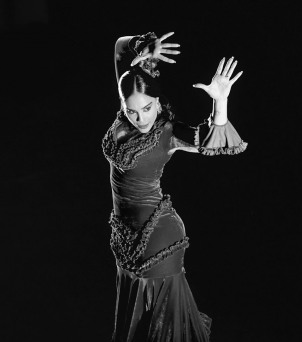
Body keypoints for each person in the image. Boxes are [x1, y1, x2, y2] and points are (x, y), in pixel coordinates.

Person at [101, 31, 247, 342]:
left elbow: (210, 141)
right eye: (132, 111)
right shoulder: (128, 96)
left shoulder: (167, 131)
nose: (141, 117)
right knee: (137, 321)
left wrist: (220, 103)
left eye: (148, 109)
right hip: (124, 237)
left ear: (158, 101)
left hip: (159, 237)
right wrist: (143, 45)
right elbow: (118, 47)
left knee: (167, 326)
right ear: (123, 104)